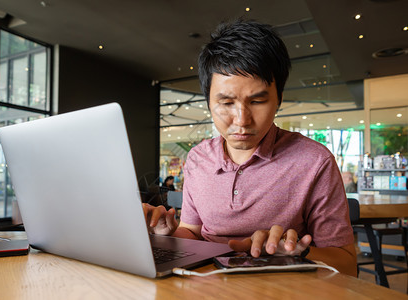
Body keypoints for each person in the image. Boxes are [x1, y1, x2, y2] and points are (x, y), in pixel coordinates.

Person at [143, 19, 357, 276]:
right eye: (226, 102)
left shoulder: (314, 161)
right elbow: (192, 232)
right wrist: (165, 236)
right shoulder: (198, 157)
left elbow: (347, 264)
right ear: (209, 101)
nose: (242, 120)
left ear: (278, 99)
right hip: (205, 287)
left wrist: (298, 253)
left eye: (257, 101)